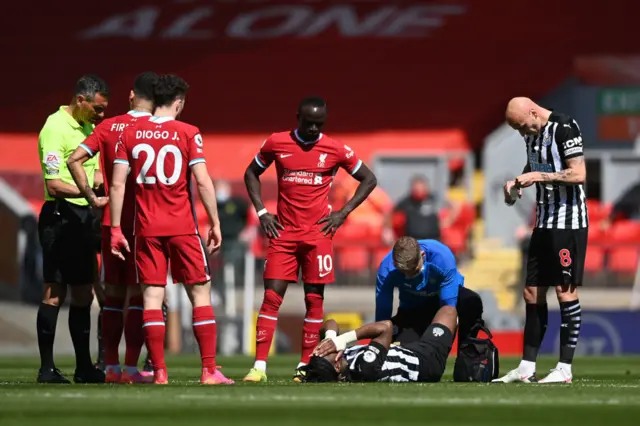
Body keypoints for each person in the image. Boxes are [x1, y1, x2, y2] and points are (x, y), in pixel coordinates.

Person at [243, 96, 378, 382]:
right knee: (270, 298)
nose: (315, 129)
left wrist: (343, 213)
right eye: (309, 123)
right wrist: (263, 212)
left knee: (314, 301)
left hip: (318, 235)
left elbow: (369, 178)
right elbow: (251, 172)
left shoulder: (334, 148)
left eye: (320, 124)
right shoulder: (276, 143)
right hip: (284, 233)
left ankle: (304, 366)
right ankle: (259, 368)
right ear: (297, 118)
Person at [109, 74, 233, 385]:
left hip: (146, 229)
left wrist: (114, 228)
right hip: (182, 227)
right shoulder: (188, 132)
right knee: (200, 293)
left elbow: (116, 183)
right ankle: (208, 371)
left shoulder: (131, 134)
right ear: (178, 103)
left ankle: (160, 372)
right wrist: (215, 223)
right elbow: (203, 181)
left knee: (151, 297)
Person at [67, 72, 159, 383]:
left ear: (132, 95)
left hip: (109, 223)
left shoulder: (108, 126)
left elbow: (74, 160)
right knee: (137, 295)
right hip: (145, 224)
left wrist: (92, 197)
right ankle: (132, 369)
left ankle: (109, 367)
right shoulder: (161, 131)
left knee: (112, 296)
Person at [495, 97, 588, 384]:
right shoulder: (533, 135)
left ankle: (564, 368)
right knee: (531, 293)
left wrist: (538, 176)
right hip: (543, 222)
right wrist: (516, 184)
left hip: (568, 222)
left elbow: (579, 174)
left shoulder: (565, 127)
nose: (524, 133)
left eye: (523, 126)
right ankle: (526, 368)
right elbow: (531, 169)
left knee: (565, 291)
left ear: (533, 112)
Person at [36, 74, 109, 384]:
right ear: (81, 100)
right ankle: (47, 369)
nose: (101, 115)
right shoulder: (54, 129)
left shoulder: (86, 125)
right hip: (60, 217)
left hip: (83, 219)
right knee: (55, 292)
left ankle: (83, 367)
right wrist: (90, 195)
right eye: (98, 108)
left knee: (83, 292)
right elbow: (53, 183)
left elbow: (91, 175)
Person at [302, 304, 457, 383]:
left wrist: (329, 338)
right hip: (425, 361)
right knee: (449, 311)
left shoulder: (338, 361)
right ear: (336, 366)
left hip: (404, 349)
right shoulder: (364, 367)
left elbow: (330, 322)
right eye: (327, 351)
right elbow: (386, 327)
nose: (328, 349)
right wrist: (342, 340)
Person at [376, 236, 484, 345]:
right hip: (413, 307)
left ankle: (468, 355)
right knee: (407, 351)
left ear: (422, 255)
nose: (409, 277)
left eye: (413, 270)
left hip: (440, 300)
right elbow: (383, 311)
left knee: (470, 301)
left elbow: (448, 307)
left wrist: (440, 340)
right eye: (404, 272)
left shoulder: (442, 258)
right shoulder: (386, 269)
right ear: (395, 265)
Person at [383, 175, 460, 244]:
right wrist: (388, 230)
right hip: (413, 241)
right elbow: (390, 212)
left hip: (434, 239)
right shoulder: (407, 201)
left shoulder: (433, 198)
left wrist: (447, 221)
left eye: (420, 186)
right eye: (416, 187)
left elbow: (454, 205)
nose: (418, 189)